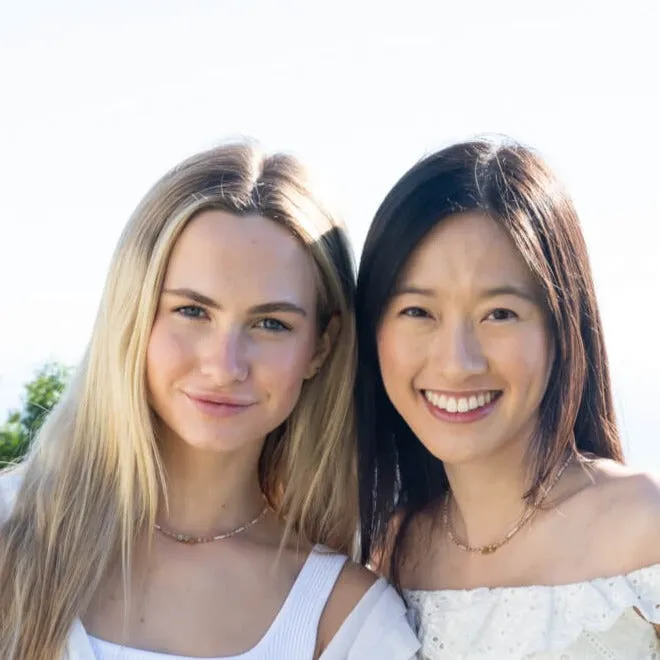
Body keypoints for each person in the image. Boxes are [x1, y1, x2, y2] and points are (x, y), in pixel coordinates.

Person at [0, 140, 419, 660]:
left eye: (271, 323)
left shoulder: (349, 620)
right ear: (135, 312)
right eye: (192, 311)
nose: (224, 366)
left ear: (321, 346)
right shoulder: (11, 537)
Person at [355, 137, 660, 659]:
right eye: (417, 312)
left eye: (499, 314)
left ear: (562, 329)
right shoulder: (390, 557)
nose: (457, 362)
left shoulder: (643, 527)